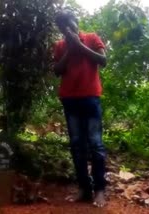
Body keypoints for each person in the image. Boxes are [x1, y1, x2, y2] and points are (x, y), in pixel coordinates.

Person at [53, 9, 107, 207]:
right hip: (70, 99)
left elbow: (103, 60)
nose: (68, 28)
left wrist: (80, 46)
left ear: (77, 21)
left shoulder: (92, 38)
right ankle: (84, 189)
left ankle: (100, 190)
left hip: (91, 98)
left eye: (70, 23)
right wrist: (70, 50)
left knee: (96, 144)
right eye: (63, 26)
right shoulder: (59, 46)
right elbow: (57, 70)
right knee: (77, 145)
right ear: (60, 29)